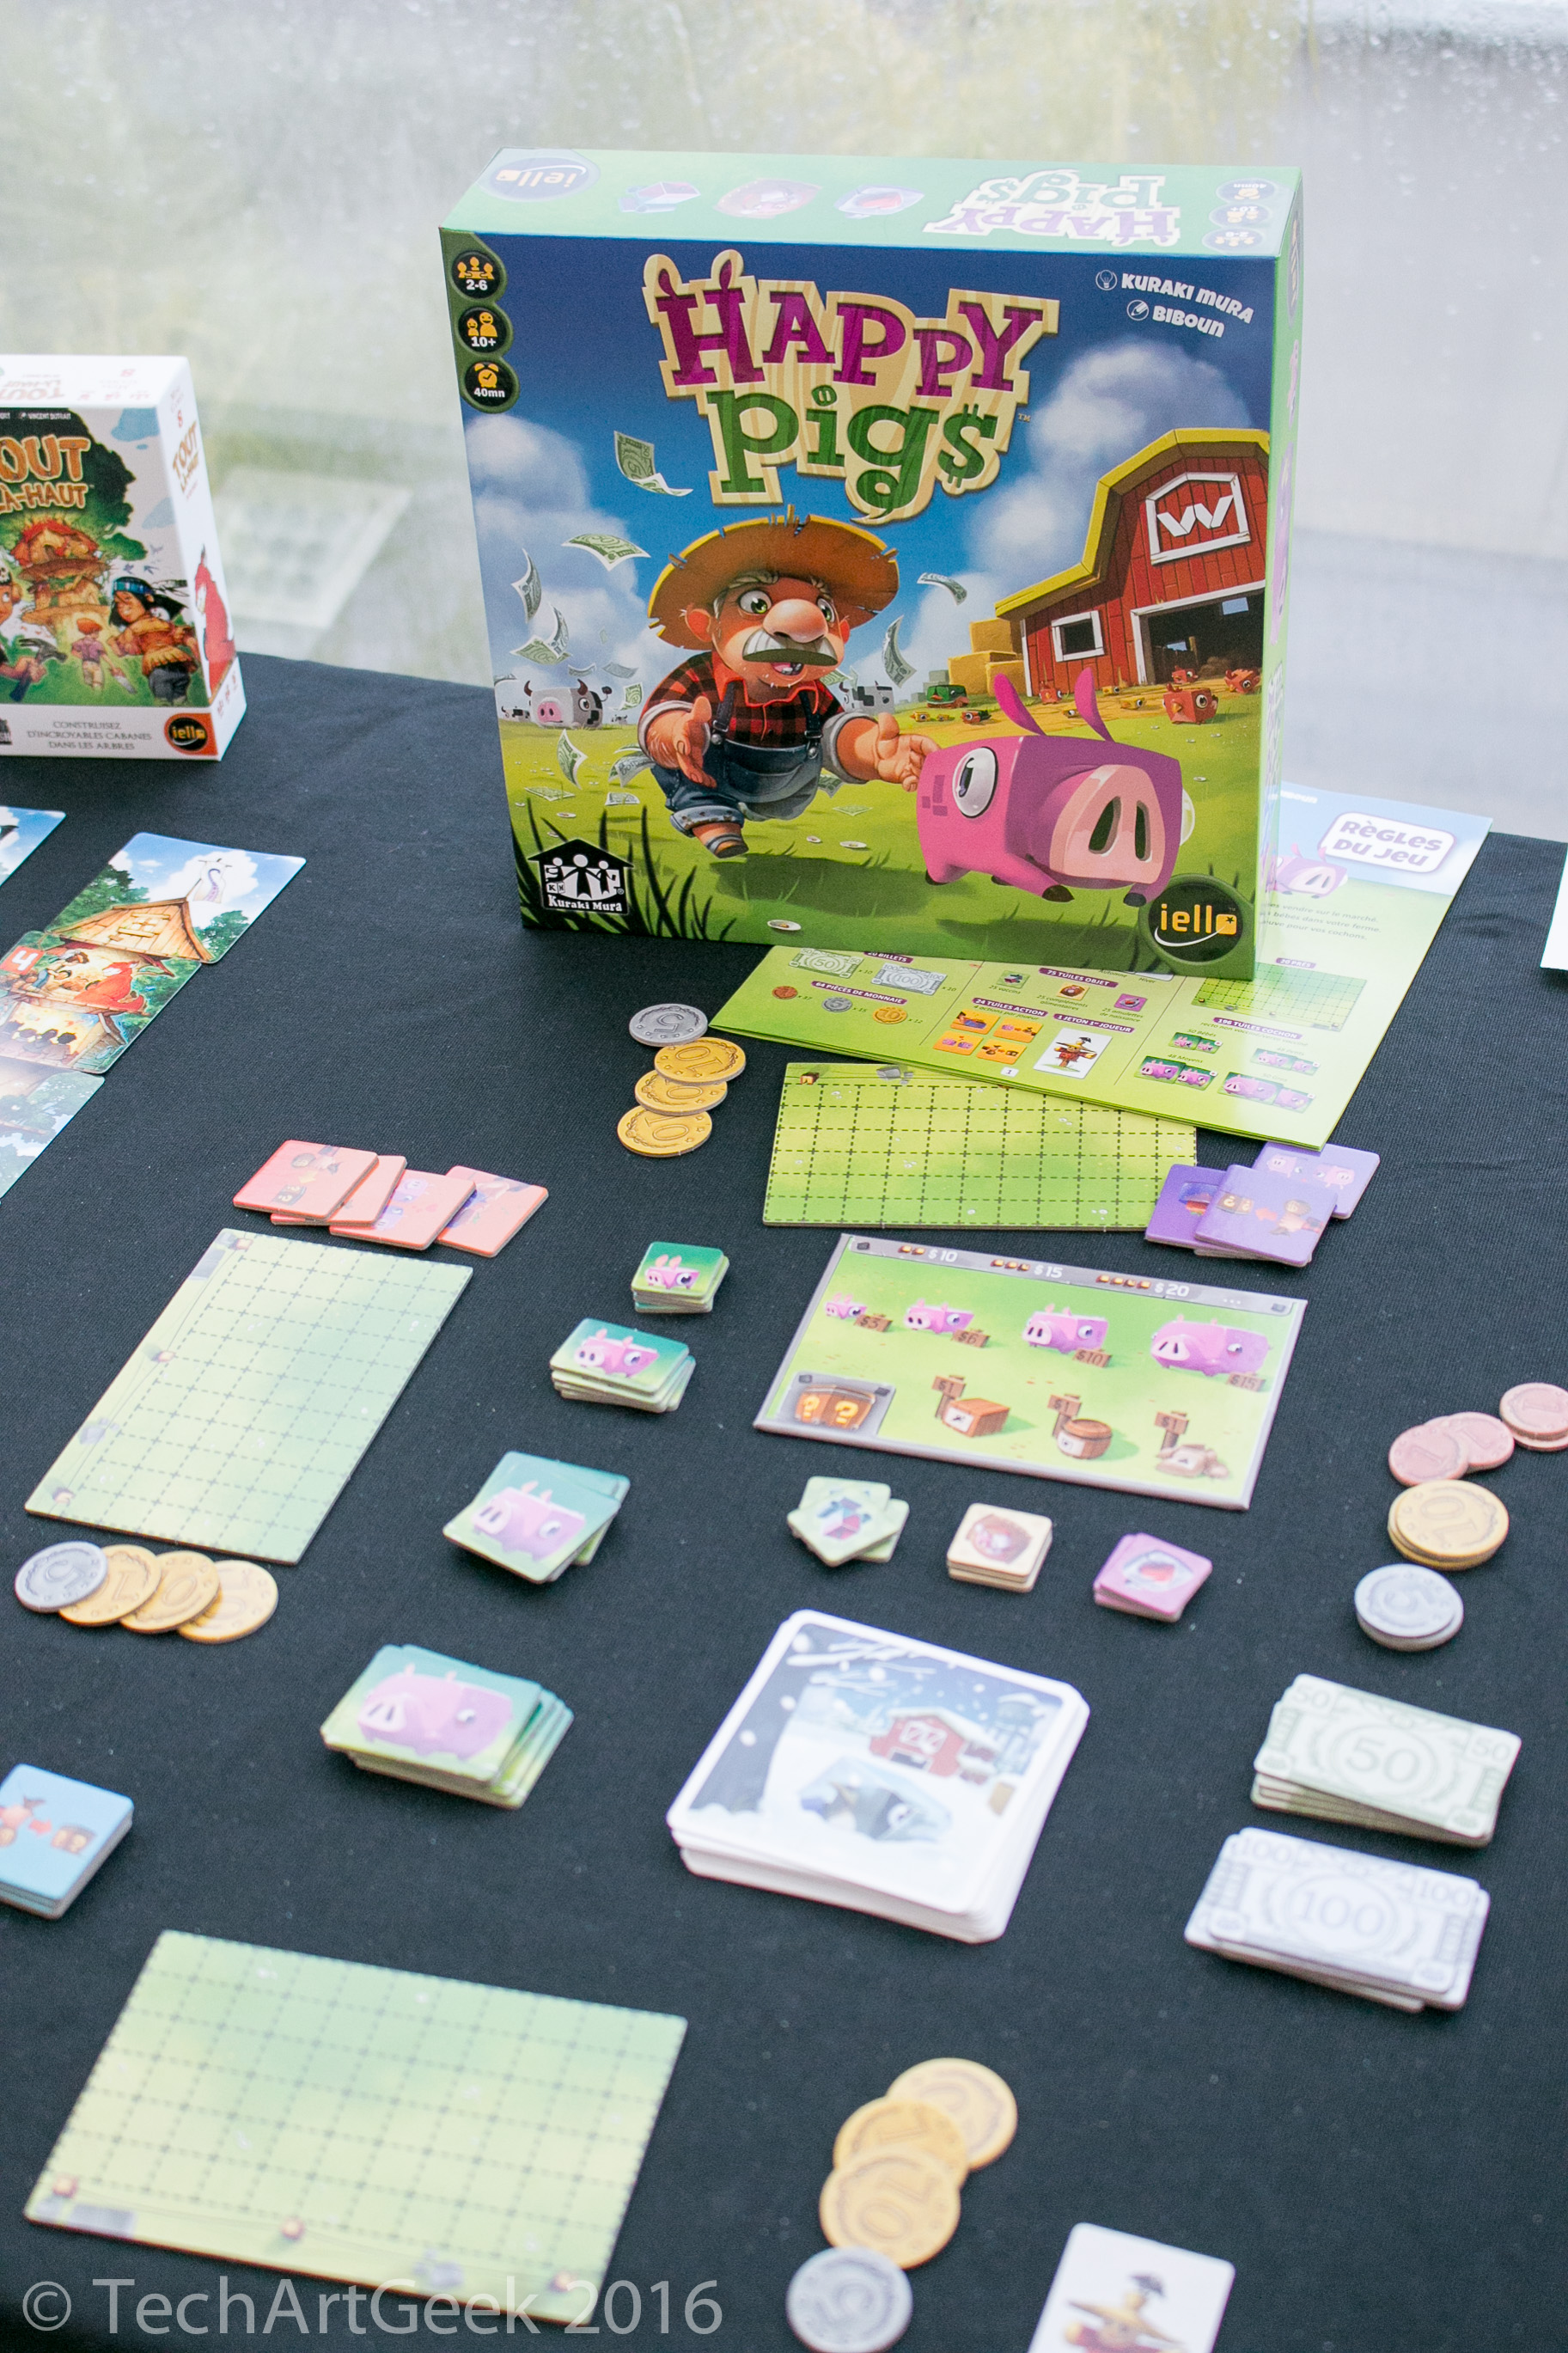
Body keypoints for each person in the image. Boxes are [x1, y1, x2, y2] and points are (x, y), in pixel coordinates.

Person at [638, 511, 935, 859]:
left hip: (787, 791)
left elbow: (837, 734)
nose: (803, 628)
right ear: (707, 625)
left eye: (822, 611)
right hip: (712, 778)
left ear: (840, 633)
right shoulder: (700, 674)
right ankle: (715, 821)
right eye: (756, 604)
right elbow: (661, 712)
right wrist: (675, 733)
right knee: (680, 772)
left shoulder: (813, 690)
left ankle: (768, 807)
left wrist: (873, 751)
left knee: (797, 785)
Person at [109, 580, 200, 705]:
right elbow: (179, 635)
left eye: (127, 599)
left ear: (148, 598)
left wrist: (112, 643)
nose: (122, 606)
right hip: (179, 666)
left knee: (164, 700)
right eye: (118, 603)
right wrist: (190, 642)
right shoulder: (162, 623)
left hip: (158, 669)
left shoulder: (134, 629)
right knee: (180, 698)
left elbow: (122, 650)